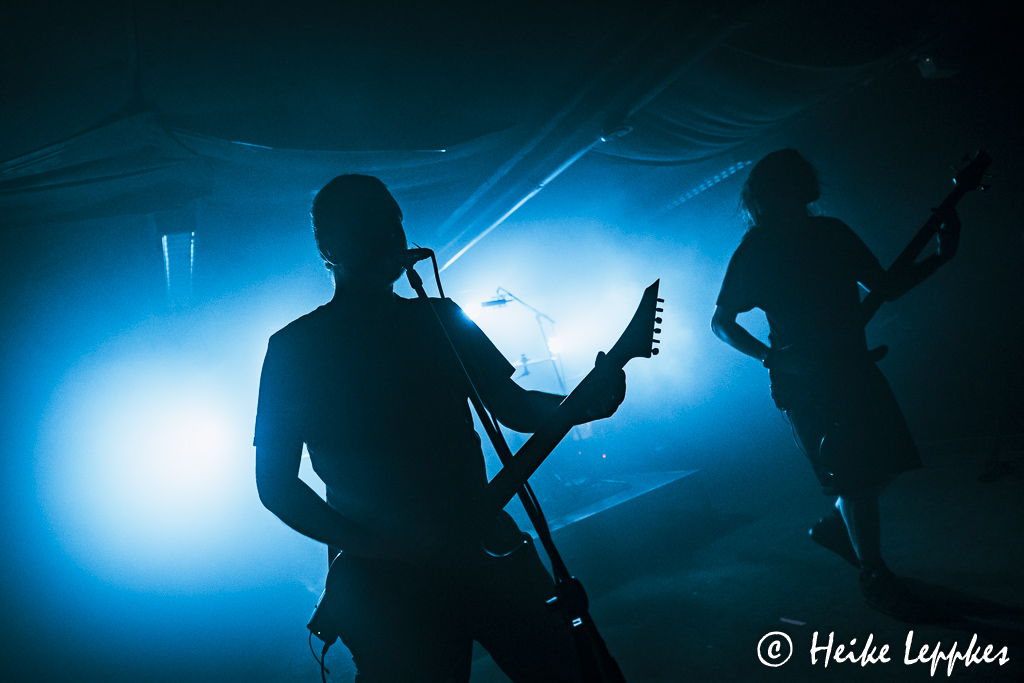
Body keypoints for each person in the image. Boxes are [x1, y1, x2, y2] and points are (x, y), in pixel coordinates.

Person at [254, 174, 625, 681]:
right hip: (388, 586)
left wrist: (582, 406)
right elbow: (274, 485)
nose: (388, 234)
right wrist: (377, 547)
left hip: (484, 546)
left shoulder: (442, 318)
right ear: (328, 248)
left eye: (393, 220)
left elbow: (513, 407)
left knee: (570, 669)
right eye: (368, 225)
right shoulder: (295, 349)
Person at [710, 149, 960, 619]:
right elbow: (721, 323)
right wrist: (770, 357)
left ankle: (838, 526)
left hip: (852, 368)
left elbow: (885, 288)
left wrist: (941, 257)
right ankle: (874, 577)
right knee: (856, 477)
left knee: (888, 460)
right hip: (806, 385)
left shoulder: (831, 233)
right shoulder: (755, 251)